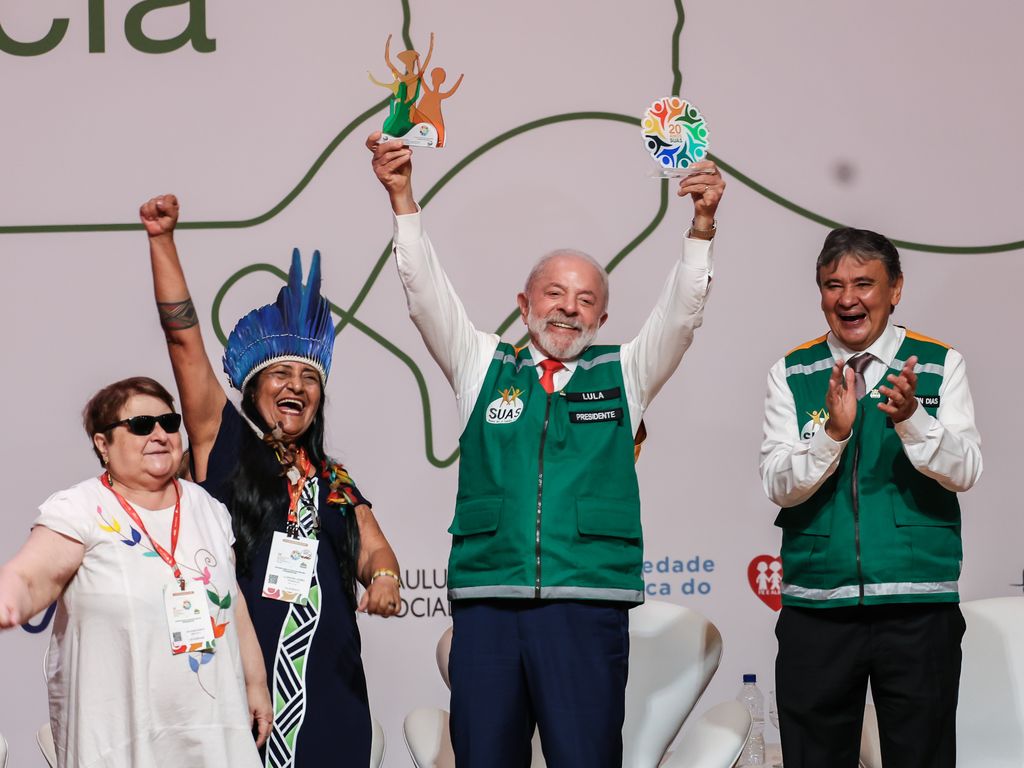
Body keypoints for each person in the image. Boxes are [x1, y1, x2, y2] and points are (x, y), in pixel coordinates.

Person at [367, 131, 725, 767]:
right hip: (489, 605)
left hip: (586, 608)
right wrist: (403, 199)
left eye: (587, 300)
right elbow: (426, 297)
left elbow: (680, 316)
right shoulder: (482, 364)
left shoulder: (625, 374)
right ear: (524, 304)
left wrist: (700, 229)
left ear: (603, 320)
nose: (569, 309)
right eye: (555, 295)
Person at [139, 195, 401, 768]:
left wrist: (382, 577)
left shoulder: (334, 478)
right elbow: (183, 340)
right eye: (281, 372)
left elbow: (374, 545)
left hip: (334, 691)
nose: (297, 385)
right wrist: (162, 241)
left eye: (310, 377)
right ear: (254, 389)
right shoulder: (225, 443)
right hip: (240, 689)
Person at [759, 227, 983, 768]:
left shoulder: (938, 362)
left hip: (918, 606)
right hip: (817, 607)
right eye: (833, 285)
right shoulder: (792, 371)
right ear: (820, 293)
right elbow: (777, 482)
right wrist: (831, 437)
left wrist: (912, 420)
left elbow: (966, 469)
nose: (848, 298)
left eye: (864, 283)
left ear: (896, 289)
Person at [0, 377, 270, 767]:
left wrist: (256, 683)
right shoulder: (80, 508)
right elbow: (31, 575)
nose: (160, 434)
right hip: (122, 738)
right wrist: (10, 597)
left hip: (213, 731)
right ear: (103, 444)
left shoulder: (207, 507)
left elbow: (235, 606)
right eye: (142, 425)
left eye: (169, 422)